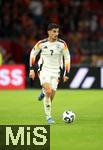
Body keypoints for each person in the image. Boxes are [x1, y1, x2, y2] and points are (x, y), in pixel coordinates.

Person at [29, 23, 71, 124]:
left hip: (56, 72)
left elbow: (67, 58)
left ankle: (43, 92)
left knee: (50, 96)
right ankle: (48, 117)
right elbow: (33, 54)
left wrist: (66, 73)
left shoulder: (62, 44)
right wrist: (31, 69)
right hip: (44, 70)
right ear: (48, 32)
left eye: (57, 31)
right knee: (48, 91)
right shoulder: (41, 43)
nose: (56, 34)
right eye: (54, 31)